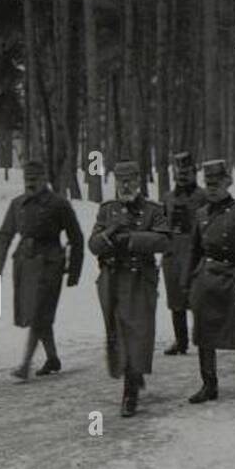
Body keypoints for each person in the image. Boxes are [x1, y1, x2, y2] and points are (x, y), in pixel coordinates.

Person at [88, 160, 171, 417]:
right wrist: (109, 234)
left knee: (137, 332)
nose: (125, 185)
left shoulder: (153, 210)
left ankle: (130, 392)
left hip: (139, 279)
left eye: (130, 180)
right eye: (120, 180)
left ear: (139, 180)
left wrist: (131, 240)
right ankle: (131, 374)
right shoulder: (107, 210)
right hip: (111, 278)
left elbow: (165, 241)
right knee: (116, 331)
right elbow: (93, 245)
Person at [0, 160, 85, 379]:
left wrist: (73, 272)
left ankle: (25, 364)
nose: (31, 184)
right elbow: (5, 234)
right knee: (38, 314)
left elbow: (77, 238)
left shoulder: (59, 204)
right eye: (27, 180)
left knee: (38, 313)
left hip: (49, 264)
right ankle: (52, 358)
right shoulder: (17, 204)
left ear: (45, 179)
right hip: (24, 265)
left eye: (35, 179)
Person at [186, 158, 235, 402]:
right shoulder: (201, 215)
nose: (212, 187)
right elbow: (195, 250)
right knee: (203, 332)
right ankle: (209, 384)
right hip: (208, 278)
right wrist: (187, 281)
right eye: (208, 183)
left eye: (217, 182)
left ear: (227, 183)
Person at [159, 151, 207, 355]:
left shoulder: (203, 196)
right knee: (175, 300)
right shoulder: (168, 198)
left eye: (187, 172)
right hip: (173, 254)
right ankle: (181, 341)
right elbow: (161, 224)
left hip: (195, 252)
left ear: (194, 173)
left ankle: (203, 338)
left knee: (198, 297)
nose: (183, 176)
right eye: (179, 172)